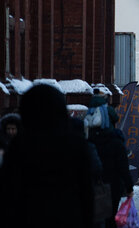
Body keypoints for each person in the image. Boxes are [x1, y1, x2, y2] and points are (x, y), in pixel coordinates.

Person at [0, 84, 95, 227]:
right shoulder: (75, 144)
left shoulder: (20, 146)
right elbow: (87, 192)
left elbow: (8, 192)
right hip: (68, 218)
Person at [88, 108, 134, 228]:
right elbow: (123, 167)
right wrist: (129, 187)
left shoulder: (90, 141)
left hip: (95, 186)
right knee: (110, 217)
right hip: (113, 187)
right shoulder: (116, 142)